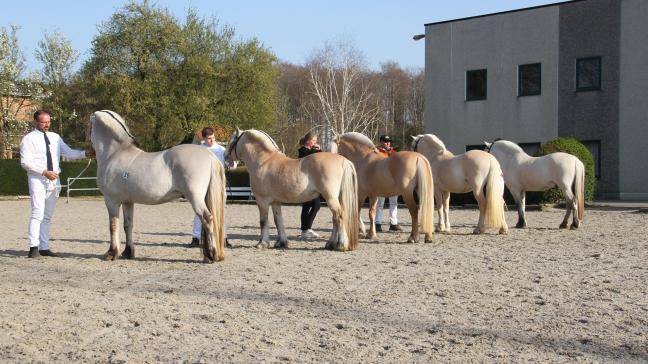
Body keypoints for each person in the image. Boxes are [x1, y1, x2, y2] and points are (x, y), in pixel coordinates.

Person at [20, 110, 93, 258]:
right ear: (36, 122)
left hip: (54, 181)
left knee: (47, 216)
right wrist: (44, 171)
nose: (47, 124)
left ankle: (44, 247)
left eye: (48, 122)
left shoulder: (55, 137)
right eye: (43, 122)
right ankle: (33, 247)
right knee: (37, 213)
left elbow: (68, 152)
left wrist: (85, 154)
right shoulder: (28, 139)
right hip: (37, 180)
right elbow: (25, 162)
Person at [189, 127, 236, 248]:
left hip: (218, 184)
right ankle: (196, 238)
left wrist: (232, 164)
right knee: (199, 212)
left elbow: (232, 164)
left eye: (213, 138)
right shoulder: (198, 150)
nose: (212, 140)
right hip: (202, 185)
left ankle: (223, 238)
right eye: (209, 138)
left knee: (221, 211)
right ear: (204, 138)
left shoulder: (221, 150)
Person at [375, 134, 402, 232]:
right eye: (386, 141)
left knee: (394, 203)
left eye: (389, 141)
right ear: (381, 142)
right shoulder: (377, 152)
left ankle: (393, 224)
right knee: (379, 203)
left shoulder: (394, 152)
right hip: (380, 181)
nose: (388, 143)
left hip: (393, 181)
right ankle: (377, 224)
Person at [297, 132, 321, 239]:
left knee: (311, 206)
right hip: (305, 182)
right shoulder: (303, 150)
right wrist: (315, 150)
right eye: (314, 140)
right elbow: (308, 158)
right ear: (308, 141)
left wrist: (319, 150)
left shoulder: (313, 150)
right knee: (311, 206)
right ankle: (306, 229)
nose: (315, 142)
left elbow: (320, 160)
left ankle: (305, 230)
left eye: (316, 141)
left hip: (312, 181)